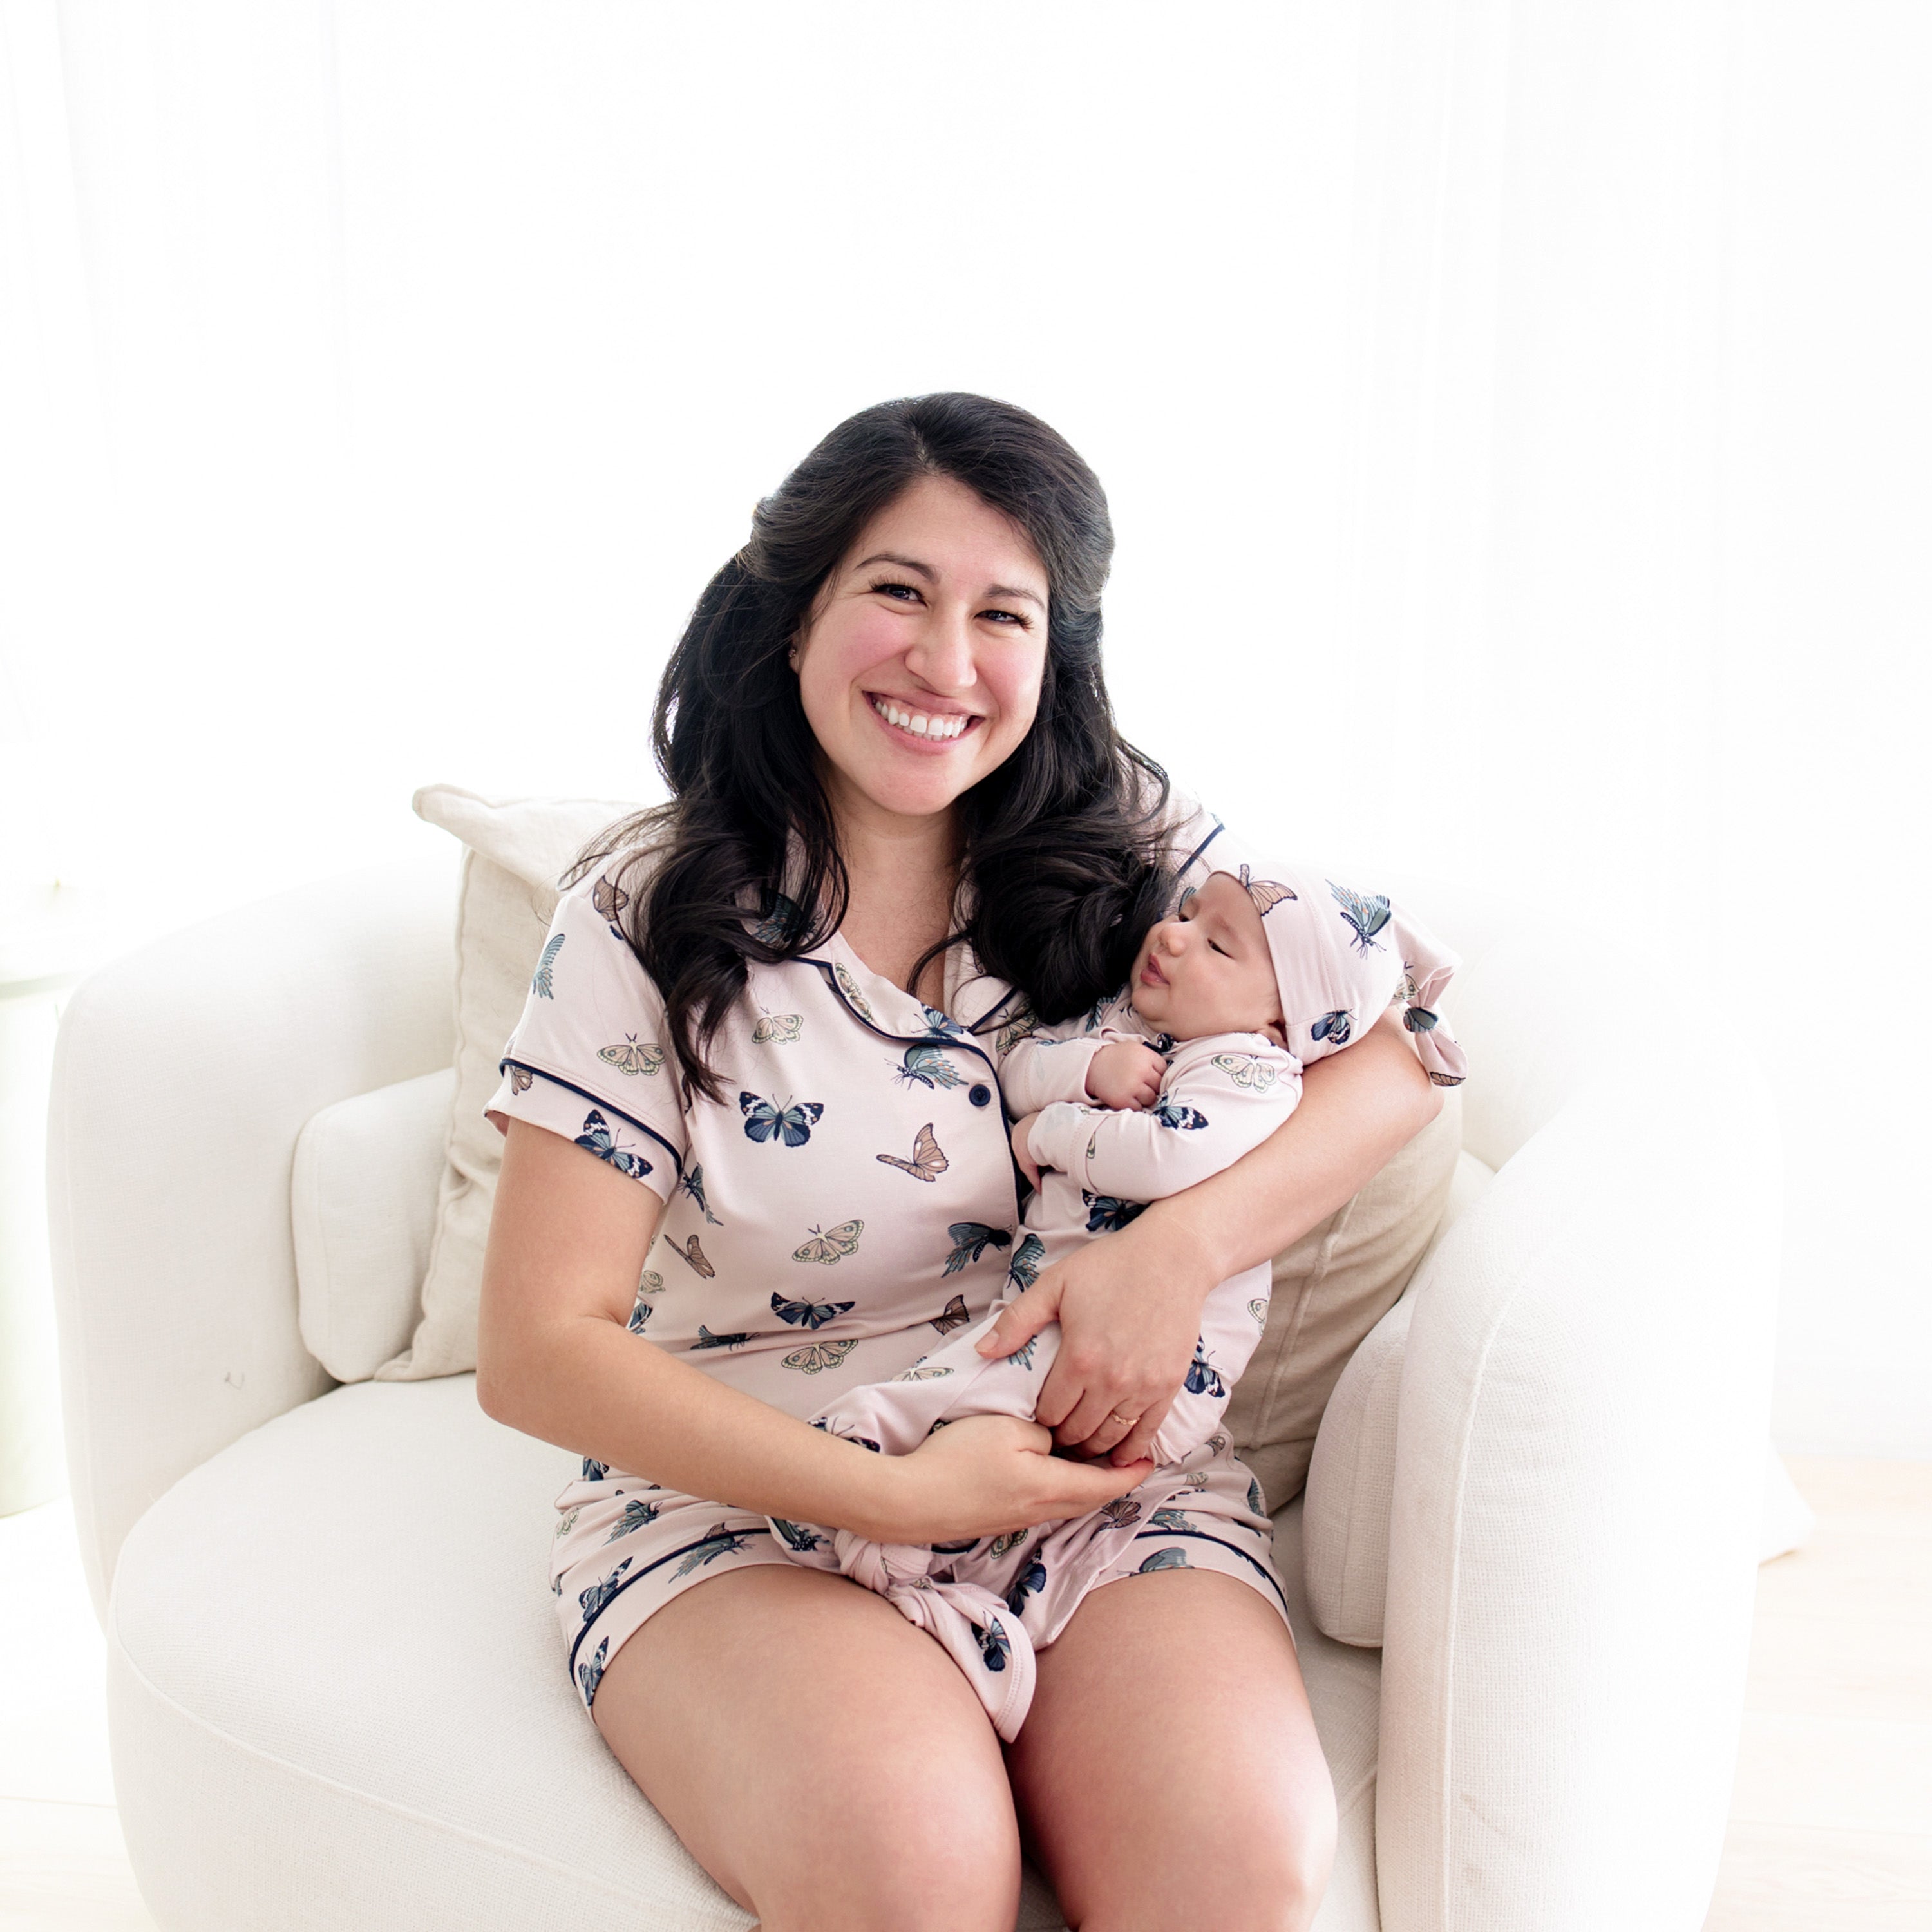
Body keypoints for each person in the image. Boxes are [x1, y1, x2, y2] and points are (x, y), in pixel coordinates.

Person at [475, 392, 1443, 1932]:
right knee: (914, 1875)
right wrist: (911, 1502)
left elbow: (1418, 1050)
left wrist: (1172, 1254)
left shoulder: (1136, 845)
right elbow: (535, 1354)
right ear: (793, 616)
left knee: (1237, 1861)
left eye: (1005, 613)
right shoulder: (644, 918)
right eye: (897, 593)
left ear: (1055, 652)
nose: (946, 663)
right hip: (759, 1499)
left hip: (1102, 1484)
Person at [773, 849, 1466, 1738]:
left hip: (1153, 1368)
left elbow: (1165, 1156)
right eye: (1185, 915)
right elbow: (1016, 1075)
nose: (1172, 941)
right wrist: (1090, 1074)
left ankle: (884, 1509)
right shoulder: (1140, 1026)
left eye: (1217, 947)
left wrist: (1055, 1132)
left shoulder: (1253, 1071)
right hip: (1056, 1310)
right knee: (984, 1399)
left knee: (985, 1404)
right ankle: (909, 1520)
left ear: (1284, 1017)